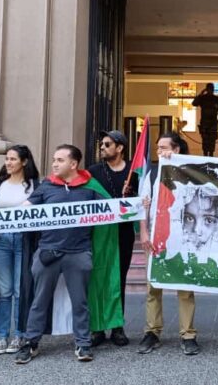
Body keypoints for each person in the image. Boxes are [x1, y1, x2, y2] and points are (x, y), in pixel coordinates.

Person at [15, 145, 110, 364]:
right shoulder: (46, 186)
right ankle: (31, 343)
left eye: (60, 160)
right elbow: (23, 209)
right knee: (39, 301)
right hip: (48, 252)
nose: (54, 164)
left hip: (78, 253)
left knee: (80, 302)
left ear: (73, 164)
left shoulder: (90, 187)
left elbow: (112, 209)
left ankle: (83, 344)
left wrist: (139, 205)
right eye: (54, 159)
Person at [137, 133, 200, 356]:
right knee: (153, 287)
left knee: (185, 288)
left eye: (164, 147)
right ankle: (152, 331)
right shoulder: (152, 172)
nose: (160, 151)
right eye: (158, 148)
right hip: (156, 238)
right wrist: (144, 232)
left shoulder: (191, 171)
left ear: (177, 149)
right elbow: (142, 204)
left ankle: (188, 334)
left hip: (182, 239)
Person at [87, 130, 138, 348]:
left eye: (107, 144)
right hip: (99, 233)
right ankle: (97, 328)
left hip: (123, 233)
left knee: (119, 279)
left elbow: (142, 203)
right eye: (101, 144)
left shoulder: (134, 173)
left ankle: (117, 327)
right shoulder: (93, 172)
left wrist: (132, 194)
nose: (102, 148)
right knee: (98, 278)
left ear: (120, 148)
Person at [0, 145, 40, 355]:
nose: (8, 163)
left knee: (21, 290)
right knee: (4, 291)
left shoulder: (34, 185)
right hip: (1, 241)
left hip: (24, 240)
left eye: (13, 159)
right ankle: (2, 336)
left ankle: (20, 334)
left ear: (24, 161)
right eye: (7, 159)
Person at [192, 83, 218, 157]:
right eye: (209, 89)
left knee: (212, 142)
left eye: (212, 89)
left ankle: (211, 156)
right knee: (205, 141)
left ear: (213, 90)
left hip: (213, 123)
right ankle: (205, 156)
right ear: (207, 89)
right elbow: (194, 103)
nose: (211, 90)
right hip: (204, 123)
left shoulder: (217, 99)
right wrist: (201, 93)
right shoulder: (202, 98)